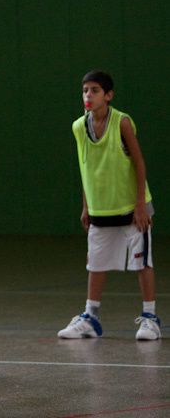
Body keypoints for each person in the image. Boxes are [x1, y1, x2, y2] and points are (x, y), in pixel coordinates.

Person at [58, 70, 160, 340]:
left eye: (94, 90)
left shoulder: (122, 122)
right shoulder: (79, 126)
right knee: (96, 264)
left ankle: (150, 318)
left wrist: (140, 204)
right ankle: (90, 317)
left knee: (142, 263)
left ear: (109, 95)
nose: (88, 95)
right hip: (101, 208)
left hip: (131, 207)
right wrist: (86, 206)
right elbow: (85, 167)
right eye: (85, 90)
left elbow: (138, 162)